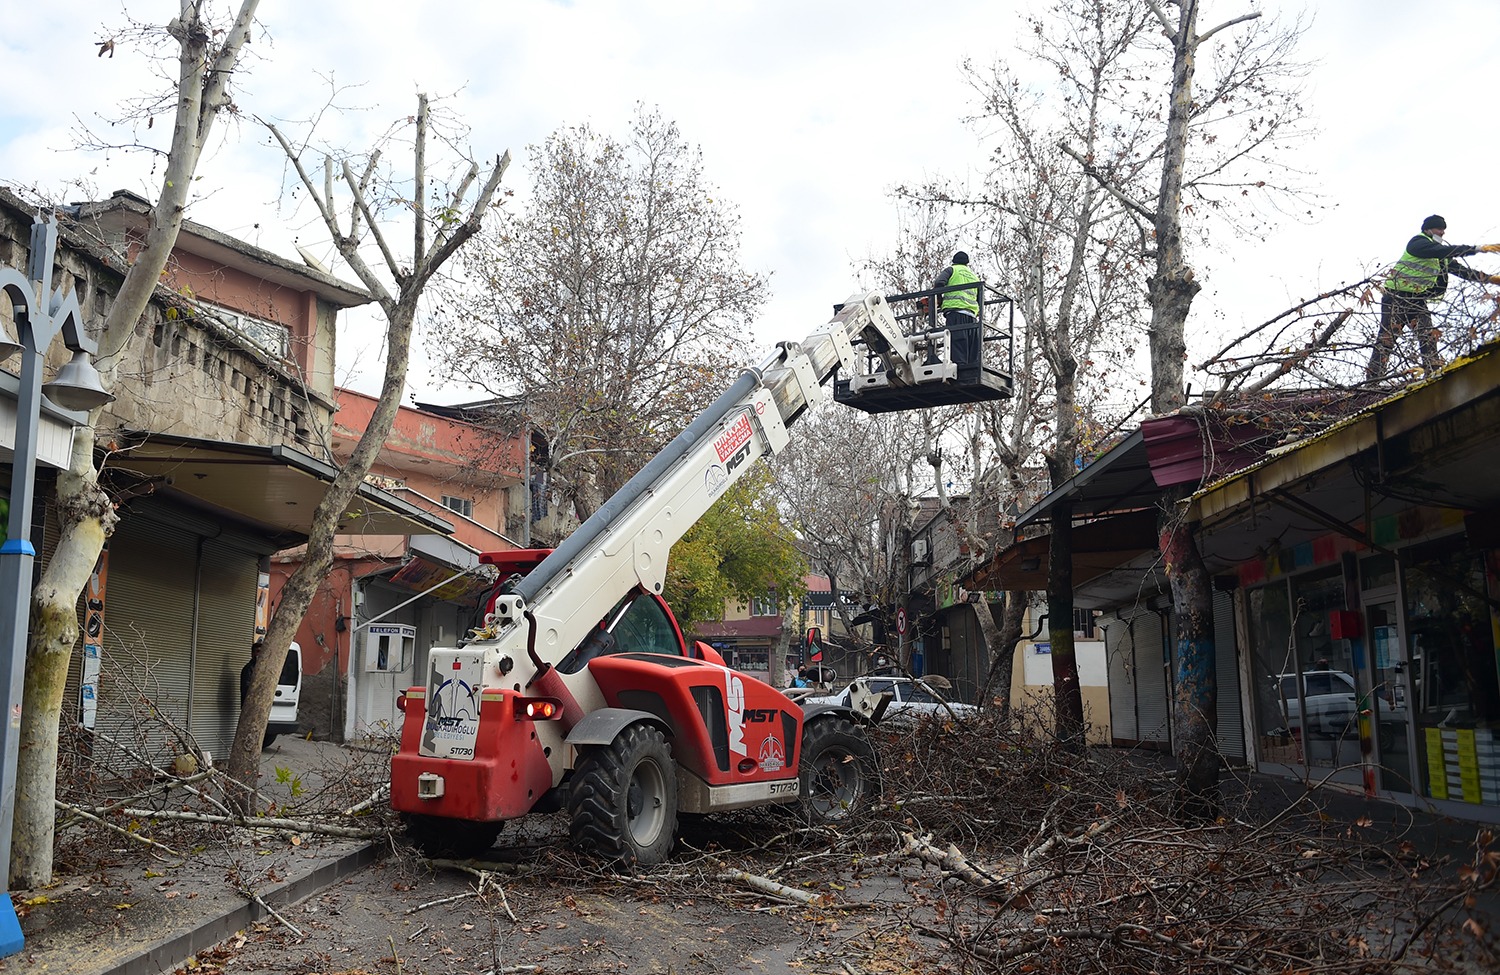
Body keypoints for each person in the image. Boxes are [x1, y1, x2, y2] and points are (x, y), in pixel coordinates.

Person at [1368, 215, 1500, 380]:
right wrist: (1476, 249)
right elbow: (1442, 250)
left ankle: (1434, 374)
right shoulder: (1418, 243)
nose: (1442, 233)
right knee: (1386, 339)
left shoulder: (1440, 255)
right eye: (1439, 229)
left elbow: (1462, 271)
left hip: (1416, 299)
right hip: (1396, 296)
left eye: (1444, 230)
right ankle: (1372, 382)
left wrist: (1490, 279)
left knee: (1428, 337)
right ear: (1428, 229)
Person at [932, 251, 981, 367]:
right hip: (972, 317)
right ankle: (971, 371)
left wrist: (940, 299)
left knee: (957, 345)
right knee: (971, 350)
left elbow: (939, 283)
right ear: (967, 263)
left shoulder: (951, 270)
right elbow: (980, 297)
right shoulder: (974, 276)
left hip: (955, 314)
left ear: (953, 261)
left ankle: (958, 371)